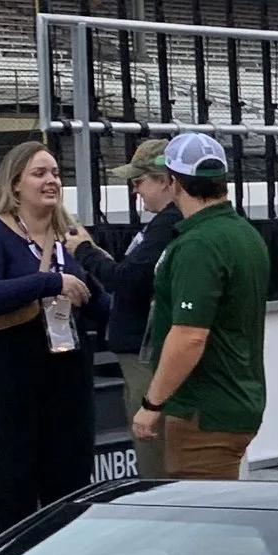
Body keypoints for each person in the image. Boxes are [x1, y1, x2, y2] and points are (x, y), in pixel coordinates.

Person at [0, 141, 118, 537]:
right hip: (7, 382)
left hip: (66, 382)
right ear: (14, 186)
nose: (51, 181)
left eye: (55, 174)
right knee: (8, 493)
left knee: (70, 489)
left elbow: (102, 304)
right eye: (39, 173)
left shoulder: (73, 237)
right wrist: (49, 282)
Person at [130, 129, 269, 479]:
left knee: (204, 525)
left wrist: (152, 403)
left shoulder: (199, 244)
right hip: (230, 402)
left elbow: (190, 336)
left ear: (174, 182)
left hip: (203, 411)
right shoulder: (243, 233)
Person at [105, 138, 182, 384]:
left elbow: (129, 279)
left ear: (163, 180)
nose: (135, 191)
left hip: (144, 351)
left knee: (145, 420)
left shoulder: (168, 224)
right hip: (141, 349)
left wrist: (84, 250)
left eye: (139, 182)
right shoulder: (163, 223)